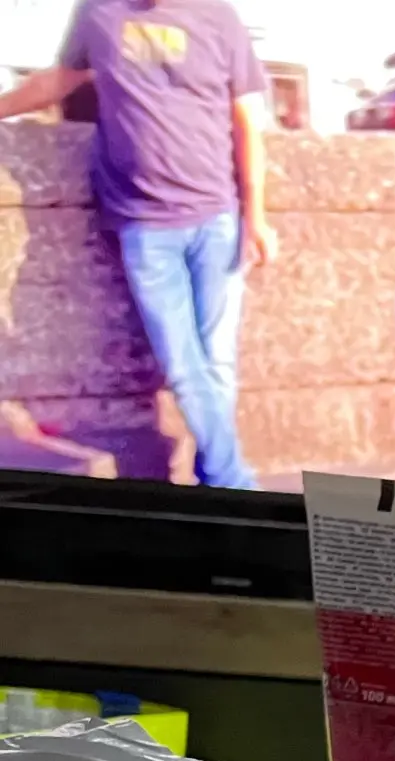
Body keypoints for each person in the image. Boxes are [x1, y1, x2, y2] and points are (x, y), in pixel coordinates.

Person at [0, 0, 277, 489]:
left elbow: (247, 120)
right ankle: (235, 484)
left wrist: (256, 215)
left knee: (218, 364)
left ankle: (216, 475)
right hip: (145, 225)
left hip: (217, 219)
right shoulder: (98, 11)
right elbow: (59, 80)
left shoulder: (218, 16)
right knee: (184, 368)